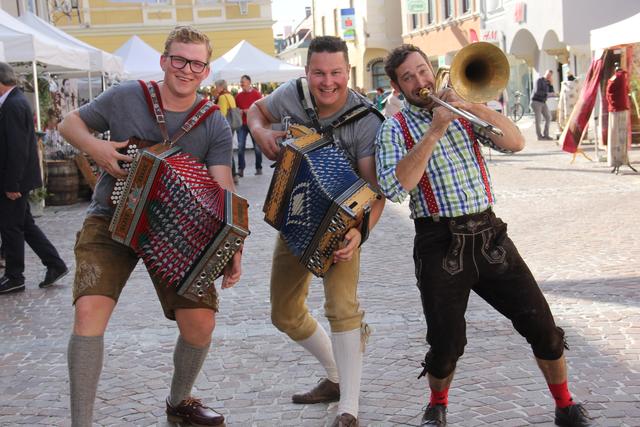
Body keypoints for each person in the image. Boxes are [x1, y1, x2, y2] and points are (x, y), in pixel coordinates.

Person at [375, 44, 593, 427]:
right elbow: (397, 187)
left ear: (433, 69)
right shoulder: (394, 128)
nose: (420, 82)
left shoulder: (464, 112)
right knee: (445, 346)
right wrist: (434, 130)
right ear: (396, 86)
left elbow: (515, 141)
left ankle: (565, 405)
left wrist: (471, 106)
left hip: (489, 234)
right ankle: (437, 405)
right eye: (408, 77)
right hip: (439, 241)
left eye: (422, 70)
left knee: (542, 325)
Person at [58, 26, 241, 427]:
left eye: (196, 63)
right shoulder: (127, 95)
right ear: (164, 61)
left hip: (177, 230)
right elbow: (69, 124)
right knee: (89, 311)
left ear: (206, 71)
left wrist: (230, 245)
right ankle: (80, 423)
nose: (186, 69)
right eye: (179, 59)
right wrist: (98, 148)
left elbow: (221, 185)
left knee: (201, 323)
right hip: (111, 218)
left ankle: (179, 401)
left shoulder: (213, 123)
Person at [247, 35, 385, 427]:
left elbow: (374, 191)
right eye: (319, 73)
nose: (328, 82)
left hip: (344, 225)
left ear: (348, 72)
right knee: (284, 313)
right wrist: (260, 132)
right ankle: (336, 373)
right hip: (295, 213)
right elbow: (256, 113)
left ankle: (350, 408)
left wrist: (361, 233)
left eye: (336, 73)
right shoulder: (290, 95)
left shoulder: (365, 120)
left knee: (342, 309)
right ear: (307, 73)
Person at [0, 62, 68, 295]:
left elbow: (18, 149)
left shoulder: (13, 105)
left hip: (15, 180)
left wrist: (12, 184)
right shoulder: (13, 102)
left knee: (11, 227)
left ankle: (14, 276)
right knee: (24, 225)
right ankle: (55, 264)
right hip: (16, 178)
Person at [234, 74, 263, 176]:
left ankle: (258, 168)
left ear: (249, 82)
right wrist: (239, 111)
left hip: (254, 123)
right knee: (240, 146)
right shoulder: (238, 96)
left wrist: (250, 111)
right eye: (241, 82)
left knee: (257, 147)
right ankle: (241, 169)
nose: (241, 84)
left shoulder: (257, 94)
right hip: (242, 124)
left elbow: (261, 108)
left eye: (243, 82)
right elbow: (235, 109)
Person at [213, 79, 240, 184]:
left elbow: (222, 114)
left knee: (227, 150)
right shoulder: (230, 96)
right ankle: (234, 174)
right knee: (229, 149)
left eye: (216, 86)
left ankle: (232, 174)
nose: (216, 89)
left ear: (221, 87)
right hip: (232, 126)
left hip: (225, 127)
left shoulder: (222, 97)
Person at [532, 69, 556, 140]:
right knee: (538, 119)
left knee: (548, 117)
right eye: (548, 74)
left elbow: (552, 93)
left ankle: (546, 135)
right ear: (545, 73)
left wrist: (551, 84)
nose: (549, 76)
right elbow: (537, 91)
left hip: (543, 102)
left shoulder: (548, 83)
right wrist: (547, 94)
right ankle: (539, 136)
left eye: (550, 75)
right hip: (536, 101)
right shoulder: (539, 80)